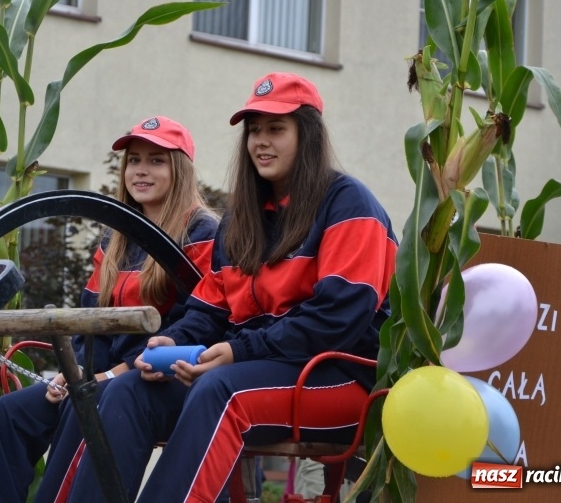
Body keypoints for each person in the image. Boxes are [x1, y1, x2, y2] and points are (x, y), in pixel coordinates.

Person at [66, 72, 398, 503]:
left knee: (222, 391)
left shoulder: (348, 202)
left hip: (342, 380)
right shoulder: (241, 218)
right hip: (255, 369)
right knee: (128, 390)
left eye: (276, 129)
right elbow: (209, 311)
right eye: (254, 130)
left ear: (308, 135)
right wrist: (174, 341)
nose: (261, 141)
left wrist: (239, 351)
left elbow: (337, 319)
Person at [0, 116, 219, 503]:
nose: (140, 170)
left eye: (156, 161)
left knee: (86, 400)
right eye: (134, 160)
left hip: (163, 378)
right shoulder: (115, 237)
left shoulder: (203, 232)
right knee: (8, 413)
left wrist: (108, 375)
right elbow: (92, 322)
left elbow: (199, 323)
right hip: (105, 376)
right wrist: (75, 371)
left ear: (181, 170)